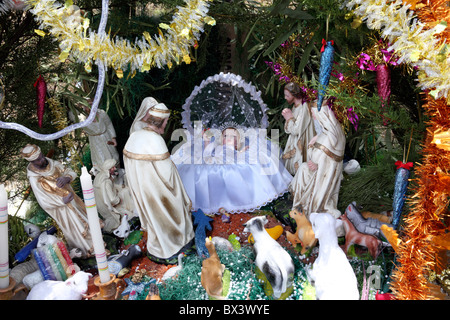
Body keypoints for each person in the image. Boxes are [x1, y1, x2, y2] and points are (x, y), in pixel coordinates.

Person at [123, 100, 195, 264]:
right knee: (172, 215)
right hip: (159, 191)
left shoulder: (135, 136)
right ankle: (176, 245)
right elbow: (167, 175)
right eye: (166, 122)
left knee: (155, 220)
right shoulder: (156, 141)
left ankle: (158, 247)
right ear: (161, 122)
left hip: (143, 190)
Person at [171, 125, 293, 215]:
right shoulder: (218, 147)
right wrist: (206, 141)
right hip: (214, 160)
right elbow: (207, 152)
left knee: (223, 165)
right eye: (225, 136)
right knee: (204, 161)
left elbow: (239, 159)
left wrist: (241, 152)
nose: (228, 138)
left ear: (237, 141)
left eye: (233, 136)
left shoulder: (235, 150)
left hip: (227, 160)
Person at [21, 144, 95, 258]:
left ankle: (97, 243)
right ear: (32, 163)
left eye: (41, 156)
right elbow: (43, 200)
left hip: (73, 200)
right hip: (62, 208)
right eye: (38, 160)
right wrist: (62, 201)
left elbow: (69, 171)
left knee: (86, 221)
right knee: (75, 228)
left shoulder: (51, 163)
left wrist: (67, 178)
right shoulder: (34, 177)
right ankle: (86, 251)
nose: (42, 160)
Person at [289, 101, 346, 221]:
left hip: (323, 177)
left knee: (303, 170)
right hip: (318, 171)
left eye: (315, 113)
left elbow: (326, 160)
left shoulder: (332, 136)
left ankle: (308, 206)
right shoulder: (328, 132)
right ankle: (299, 204)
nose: (313, 116)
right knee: (303, 168)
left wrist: (316, 162)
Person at [281, 82, 316, 175]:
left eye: (287, 95)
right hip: (294, 140)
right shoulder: (295, 106)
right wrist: (289, 119)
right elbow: (289, 130)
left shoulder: (304, 106)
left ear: (294, 95)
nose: (285, 98)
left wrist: (289, 118)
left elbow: (296, 130)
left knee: (301, 165)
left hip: (303, 140)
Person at [93, 159, 135, 233]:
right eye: (113, 168)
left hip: (99, 204)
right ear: (108, 169)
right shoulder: (106, 181)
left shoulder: (100, 176)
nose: (115, 169)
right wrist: (118, 200)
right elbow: (112, 199)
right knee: (125, 192)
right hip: (107, 207)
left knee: (123, 190)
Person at [82, 99, 120, 175]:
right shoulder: (83, 119)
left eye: (91, 104)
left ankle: (117, 175)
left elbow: (109, 124)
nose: (90, 107)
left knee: (113, 156)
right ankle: (105, 177)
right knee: (100, 159)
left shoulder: (102, 113)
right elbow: (79, 124)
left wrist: (113, 138)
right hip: (95, 141)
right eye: (87, 105)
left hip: (106, 138)